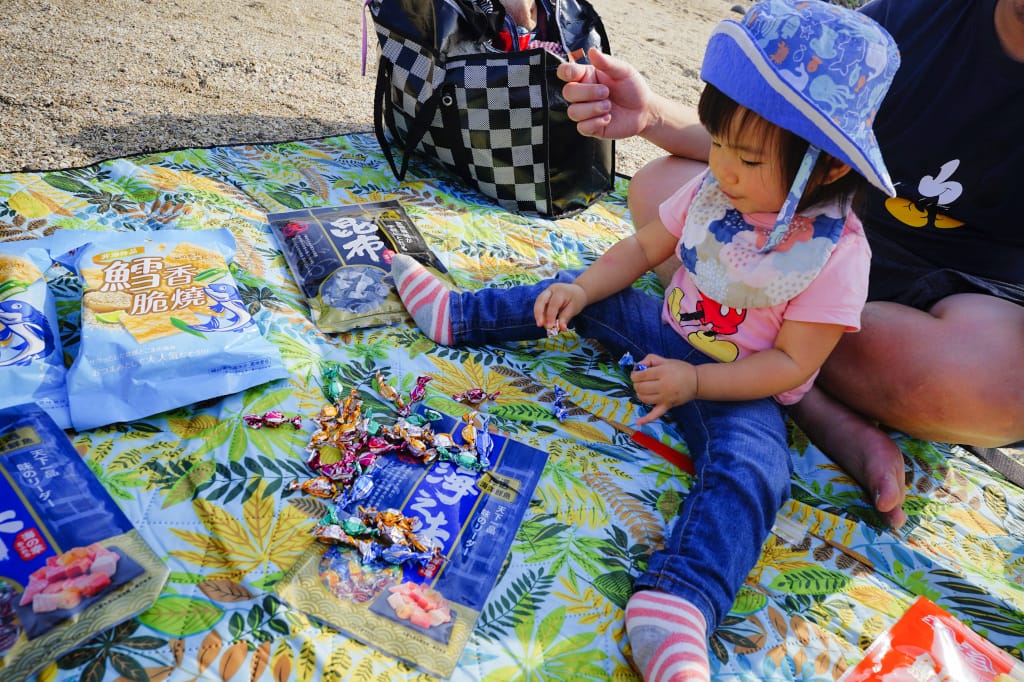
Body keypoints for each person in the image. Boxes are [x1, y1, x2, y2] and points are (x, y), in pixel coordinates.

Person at [389, 2, 899, 679]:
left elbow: (787, 365)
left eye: (746, 158)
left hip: (741, 387)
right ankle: (462, 314)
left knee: (756, 474)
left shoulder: (836, 255)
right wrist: (586, 292)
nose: (722, 168)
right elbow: (642, 248)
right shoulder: (716, 191)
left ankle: (679, 601)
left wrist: (696, 383)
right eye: (717, 143)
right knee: (576, 288)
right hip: (663, 327)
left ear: (830, 170)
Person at [558, 0, 1024, 529]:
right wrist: (652, 116)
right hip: (792, 229)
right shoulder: (907, 20)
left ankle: (785, 363)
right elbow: (761, 141)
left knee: (1003, 387)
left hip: (960, 296)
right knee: (659, 187)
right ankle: (800, 391)